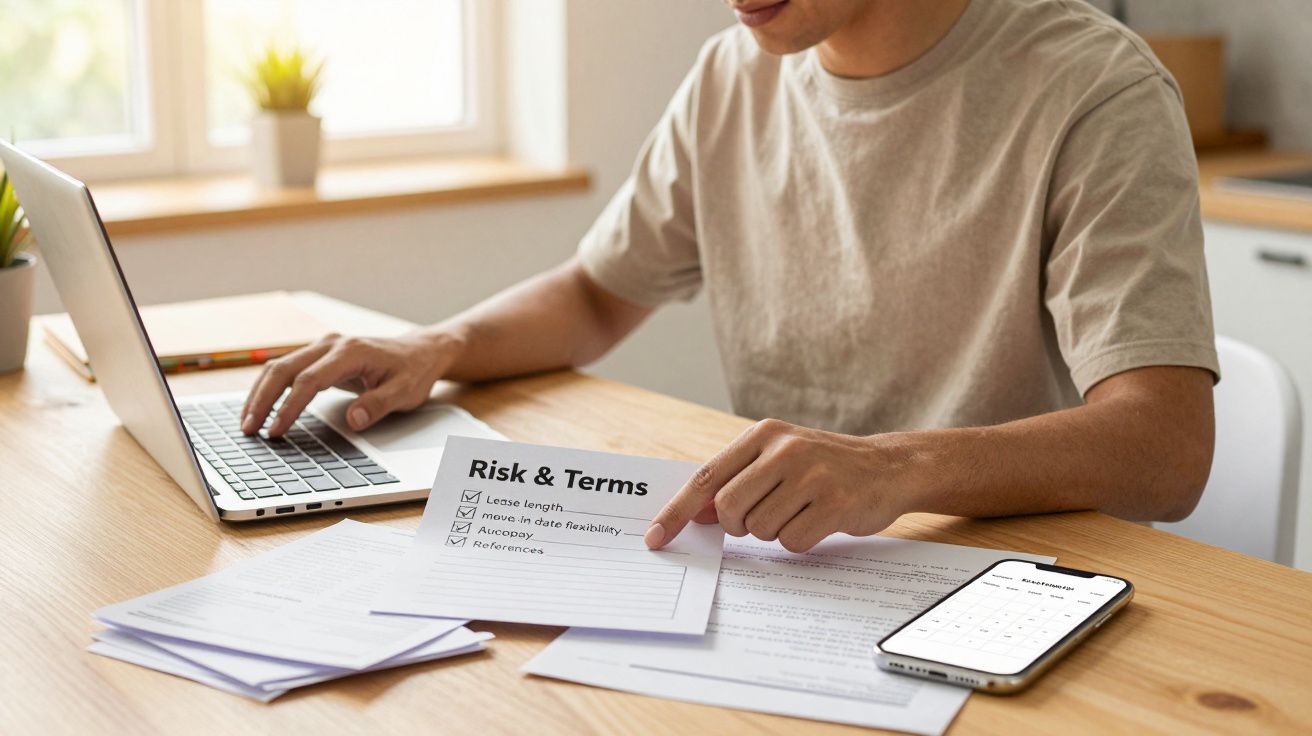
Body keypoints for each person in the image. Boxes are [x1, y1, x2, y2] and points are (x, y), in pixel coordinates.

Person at [242, 0, 1219, 553]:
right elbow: (594, 294)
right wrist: (439, 343)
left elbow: (1166, 449)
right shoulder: (731, 76)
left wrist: (890, 468)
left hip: (998, 576)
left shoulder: (1093, 88)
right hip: (787, 573)